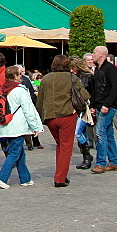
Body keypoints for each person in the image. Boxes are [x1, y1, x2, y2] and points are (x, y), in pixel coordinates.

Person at [36, 55, 89, 187]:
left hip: (50, 117)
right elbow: (85, 95)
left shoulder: (46, 78)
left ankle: (61, 174)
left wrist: (39, 118)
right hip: (67, 115)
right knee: (66, 147)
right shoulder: (72, 78)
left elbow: (40, 101)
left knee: (60, 145)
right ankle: (60, 178)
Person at [0, 65, 43, 189]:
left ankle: (25, 178)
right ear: (15, 76)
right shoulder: (20, 90)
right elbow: (29, 110)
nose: (22, 76)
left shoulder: (0, 91)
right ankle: (1, 178)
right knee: (14, 152)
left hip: (5, 126)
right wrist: (35, 126)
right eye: (20, 74)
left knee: (19, 152)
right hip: (18, 127)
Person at [90, 46, 117, 173]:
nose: (93, 55)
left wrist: (107, 104)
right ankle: (114, 161)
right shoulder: (98, 69)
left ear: (101, 54)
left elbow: (115, 88)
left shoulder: (111, 69)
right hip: (98, 105)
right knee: (108, 133)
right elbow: (94, 89)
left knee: (100, 133)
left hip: (107, 106)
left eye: (95, 53)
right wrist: (92, 105)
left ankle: (101, 163)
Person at [72, 55, 96, 169]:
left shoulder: (88, 77)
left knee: (78, 132)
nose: (71, 70)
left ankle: (87, 156)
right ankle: (86, 154)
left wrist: (92, 106)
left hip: (84, 107)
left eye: (73, 68)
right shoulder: (70, 77)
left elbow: (93, 92)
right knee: (81, 132)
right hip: (73, 108)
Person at [17, 64, 44, 150]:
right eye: (21, 71)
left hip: (30, 101)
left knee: (32, 121)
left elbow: (31, 90)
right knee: (26, 124)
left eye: (24, 71)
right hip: (21, 104)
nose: (23, 73)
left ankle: (36, 142)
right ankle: (29, 144)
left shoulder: (26, 78)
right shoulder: (16, 79)